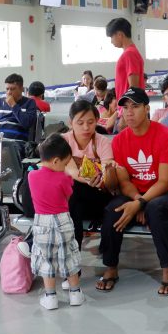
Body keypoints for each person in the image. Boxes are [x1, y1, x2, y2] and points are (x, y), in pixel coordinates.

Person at [96, 88, 168, 296]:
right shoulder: (118, 140)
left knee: (156, 209)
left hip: (166, 193)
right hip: (135, 193)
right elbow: (124, 181)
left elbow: (164, 181)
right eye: (125, 107)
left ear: (147, 108)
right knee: (112, 210)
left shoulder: (166, 136)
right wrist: (137, 200)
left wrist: (142, 203)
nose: (129, 112)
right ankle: (111, 267)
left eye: (135, 107)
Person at [25, 134, 84, 309]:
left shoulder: (32, 176)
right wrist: (67, 176)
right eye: (65, 164)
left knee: (46, 259)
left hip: (42, 223)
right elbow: (68, 195)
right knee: (69, 256)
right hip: (63, 220)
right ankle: (75, 294)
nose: (66, 168)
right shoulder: (64, 179)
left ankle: (50, 297)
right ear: (57, 161)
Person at [60, 100, 117, 249]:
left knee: (74, 191)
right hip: (74, 198)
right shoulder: (63, 141)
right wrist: (87, 178)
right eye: (80, 123)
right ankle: (74, 253)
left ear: (97, 121)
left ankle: (71, 255)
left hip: (98, 195)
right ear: (70, 122)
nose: (86, 127)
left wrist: (96, 177)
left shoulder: (102, 142)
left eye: (91, 122)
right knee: (75, 200)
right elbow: (69, 170)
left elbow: (107, 171)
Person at [0, 73, 39, 142]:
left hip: (17, 144)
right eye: (7, 89)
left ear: (21, 89)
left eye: (12, 89)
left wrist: (13, 105)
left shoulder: (29, 103)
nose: (9, 92)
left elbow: (27, 124)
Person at [106, 17, 144, 95]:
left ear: (120, 34)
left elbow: (134, 88)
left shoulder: (129, 54)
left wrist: (126, 107)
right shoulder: (131, 52)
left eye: (111, 37)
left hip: (128, 105)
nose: (111, 41)